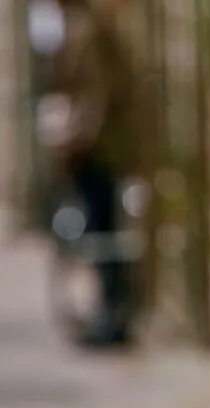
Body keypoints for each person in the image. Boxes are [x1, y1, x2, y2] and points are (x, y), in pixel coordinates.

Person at [49, 0, 137, 347]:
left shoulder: (90, 32)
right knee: (100, 236)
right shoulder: (82, 29)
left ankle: (113, 318)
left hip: (100, 153)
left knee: (105, 238)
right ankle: (109, 313)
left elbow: (100, 96)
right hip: (97, 148)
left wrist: (82, 141)